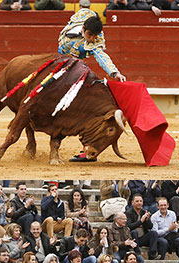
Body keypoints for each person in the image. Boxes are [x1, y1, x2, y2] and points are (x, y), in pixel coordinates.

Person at [59, 11, 126, 162]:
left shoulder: (96, 38)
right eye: (89, 35)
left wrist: (114, 72)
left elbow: (101, 56)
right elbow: (61, 52)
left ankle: (87, 150)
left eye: (94, 37)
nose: (91, 39)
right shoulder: (69, 34)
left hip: (77, 66)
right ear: (82, 29)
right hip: (64, 62)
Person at [125, 194, 160, 260]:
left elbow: (150, 227)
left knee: (153, 233)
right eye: (137, 201)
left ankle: (152, 254)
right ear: (132, 202)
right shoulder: (128, 213)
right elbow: (128, 226)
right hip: (133, 238)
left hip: (142, 237)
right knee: (134, 232)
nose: (139, 203)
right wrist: (141, 221)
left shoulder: (144, 212)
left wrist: (147, 220)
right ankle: (137, 253)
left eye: (141, 201)